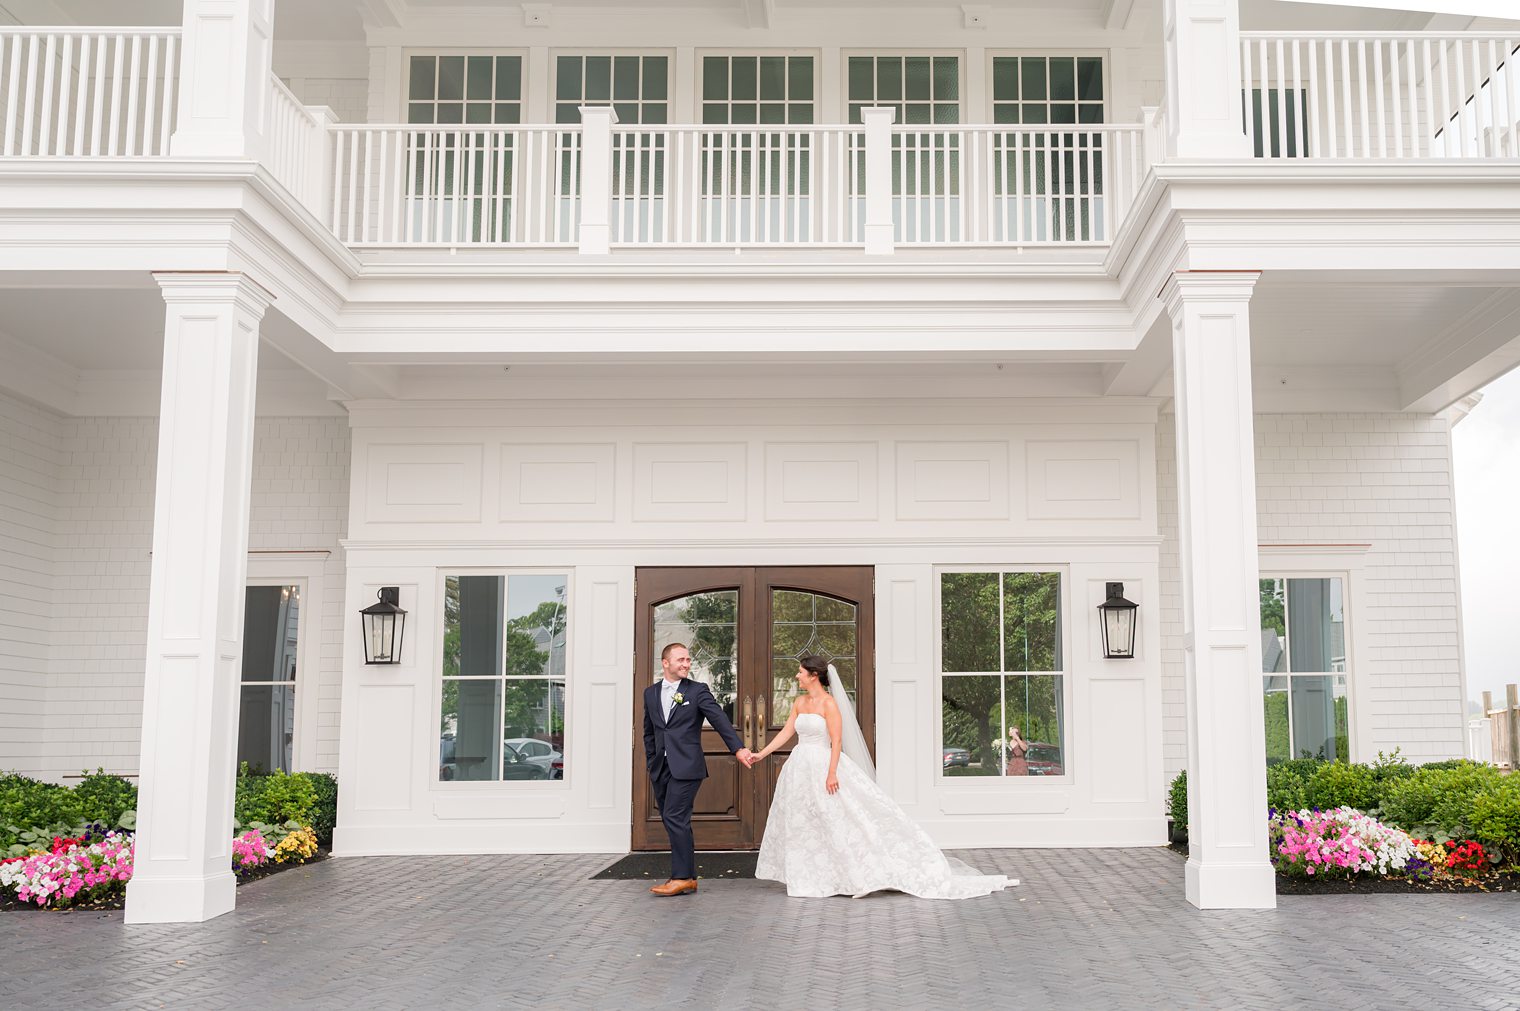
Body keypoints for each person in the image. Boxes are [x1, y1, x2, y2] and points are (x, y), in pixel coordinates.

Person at [750, 654, 1016, 899]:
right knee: (803, 821)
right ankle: (809, 876)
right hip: (799, 768)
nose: (797, 676)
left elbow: (837, 739)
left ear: (814, 676)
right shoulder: (799, 702)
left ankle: (859, 872)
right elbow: (786, 733)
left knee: (840, 817)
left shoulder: (829, 704)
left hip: (822, 764)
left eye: (800, 672)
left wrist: (831, 773)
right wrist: (761, 754)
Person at [642, 642, 755, 897]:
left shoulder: (697, 691)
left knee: (673, 815)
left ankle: (680, 877)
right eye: (680, 660)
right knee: (676, 819)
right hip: (661, 767)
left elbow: (719, 719)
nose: (686, 664)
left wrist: (738, 749)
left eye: (688, 660)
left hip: (688, 767)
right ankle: (690, 877)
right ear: (665, 663)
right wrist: (651, 761)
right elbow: (649, 732)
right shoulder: (650, 693)